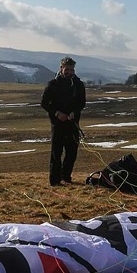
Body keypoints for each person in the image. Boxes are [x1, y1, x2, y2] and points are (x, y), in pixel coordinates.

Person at [41, 56, 86, 186]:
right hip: (57, 123)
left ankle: (66, 176)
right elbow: (44, 102)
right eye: (67, 69)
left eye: (72, 70)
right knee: (56, 152)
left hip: (73, 123)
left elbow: (82, 103)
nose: (69, 72)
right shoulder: (53, 84)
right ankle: (54, 181)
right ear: (61, 69)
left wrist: (74, 113)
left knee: (72, 152)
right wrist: (56, 113)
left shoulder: (78, 84)